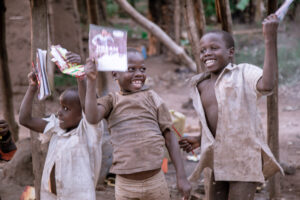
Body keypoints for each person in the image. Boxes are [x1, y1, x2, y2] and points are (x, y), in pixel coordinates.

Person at [179, 14, 284, 200]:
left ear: (231, 52)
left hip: (244, 159)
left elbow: (267, 85)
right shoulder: (200, 85)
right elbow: (216, 121)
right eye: (202, 50)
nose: (207, 53)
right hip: (218, 159)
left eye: (214, 48)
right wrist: (200, 138)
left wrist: (270, 39)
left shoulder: (243, 73)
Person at [84, 48, 191, 200]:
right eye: (131, 69)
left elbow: (169, 136)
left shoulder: (153, 98)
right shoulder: (111, 101)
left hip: (156, 182)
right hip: (125, 186)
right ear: (115, 74)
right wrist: (90, 80)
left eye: (142, 69)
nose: (139, 73)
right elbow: (92, 117)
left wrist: (181, 177)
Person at [19, 70, 102, 200]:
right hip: (51, 196)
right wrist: (32, 88)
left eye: (66, 109)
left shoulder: (88, 133)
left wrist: (80, 78)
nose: (59, 112)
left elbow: (89, 109)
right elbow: (25, 120)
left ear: (83, 114)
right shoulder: (56, 127)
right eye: (61, 106)